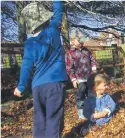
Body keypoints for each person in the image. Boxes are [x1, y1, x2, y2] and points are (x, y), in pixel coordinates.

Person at [13, 1, 67, 137]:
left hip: (37, 86)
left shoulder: (30, 44)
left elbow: (26, 66)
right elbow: (58, 13)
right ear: (44, 18)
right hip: (55, 83)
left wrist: (21, 86)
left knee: (40, 120)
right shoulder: (53, 30)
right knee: (54, 119)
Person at [65, 28, 97, 120]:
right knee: (81, 96)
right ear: (72, 40)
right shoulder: (70, 53)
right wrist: (73, 79)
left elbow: (92, 60)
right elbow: (69, 68)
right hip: (79, 79)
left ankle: (92, 109)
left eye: (82, 41)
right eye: (79, 40)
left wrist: (94, 70)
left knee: (91, 94)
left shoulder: (86, 51)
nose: (81, 42)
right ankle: (81, 113)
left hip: (89, 77)